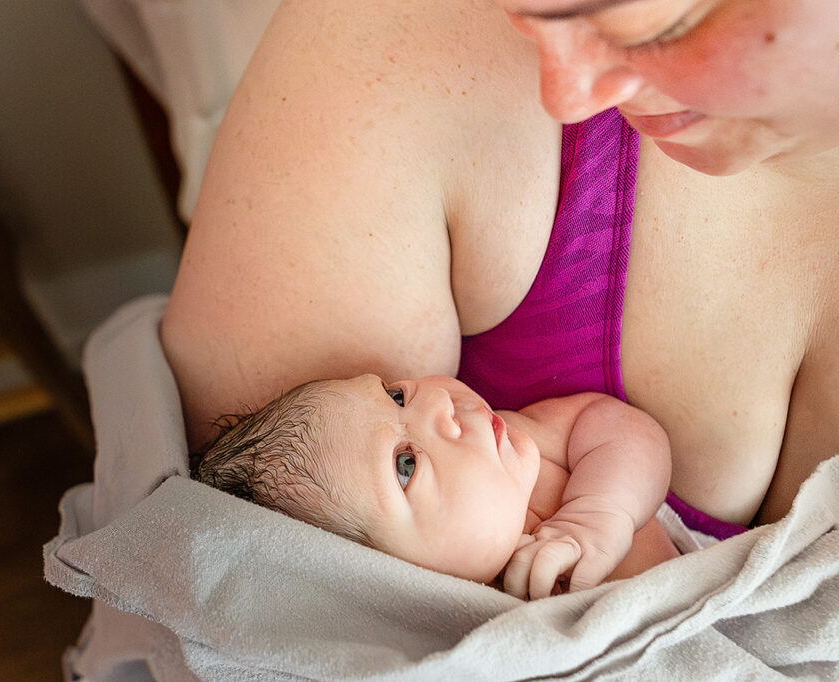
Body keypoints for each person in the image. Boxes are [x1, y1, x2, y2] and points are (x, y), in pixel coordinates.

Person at [162, 1, 839, 545]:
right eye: (534, 14)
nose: (566, 94)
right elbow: (251, 591)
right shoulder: (400, 47)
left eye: (662, 27)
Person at [192, 374, 678, 600]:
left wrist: (597, 514)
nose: (439, 402)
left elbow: (620, 428)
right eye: (406, 465)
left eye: (394, 394)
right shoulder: (466, 620)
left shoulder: (510, 437)